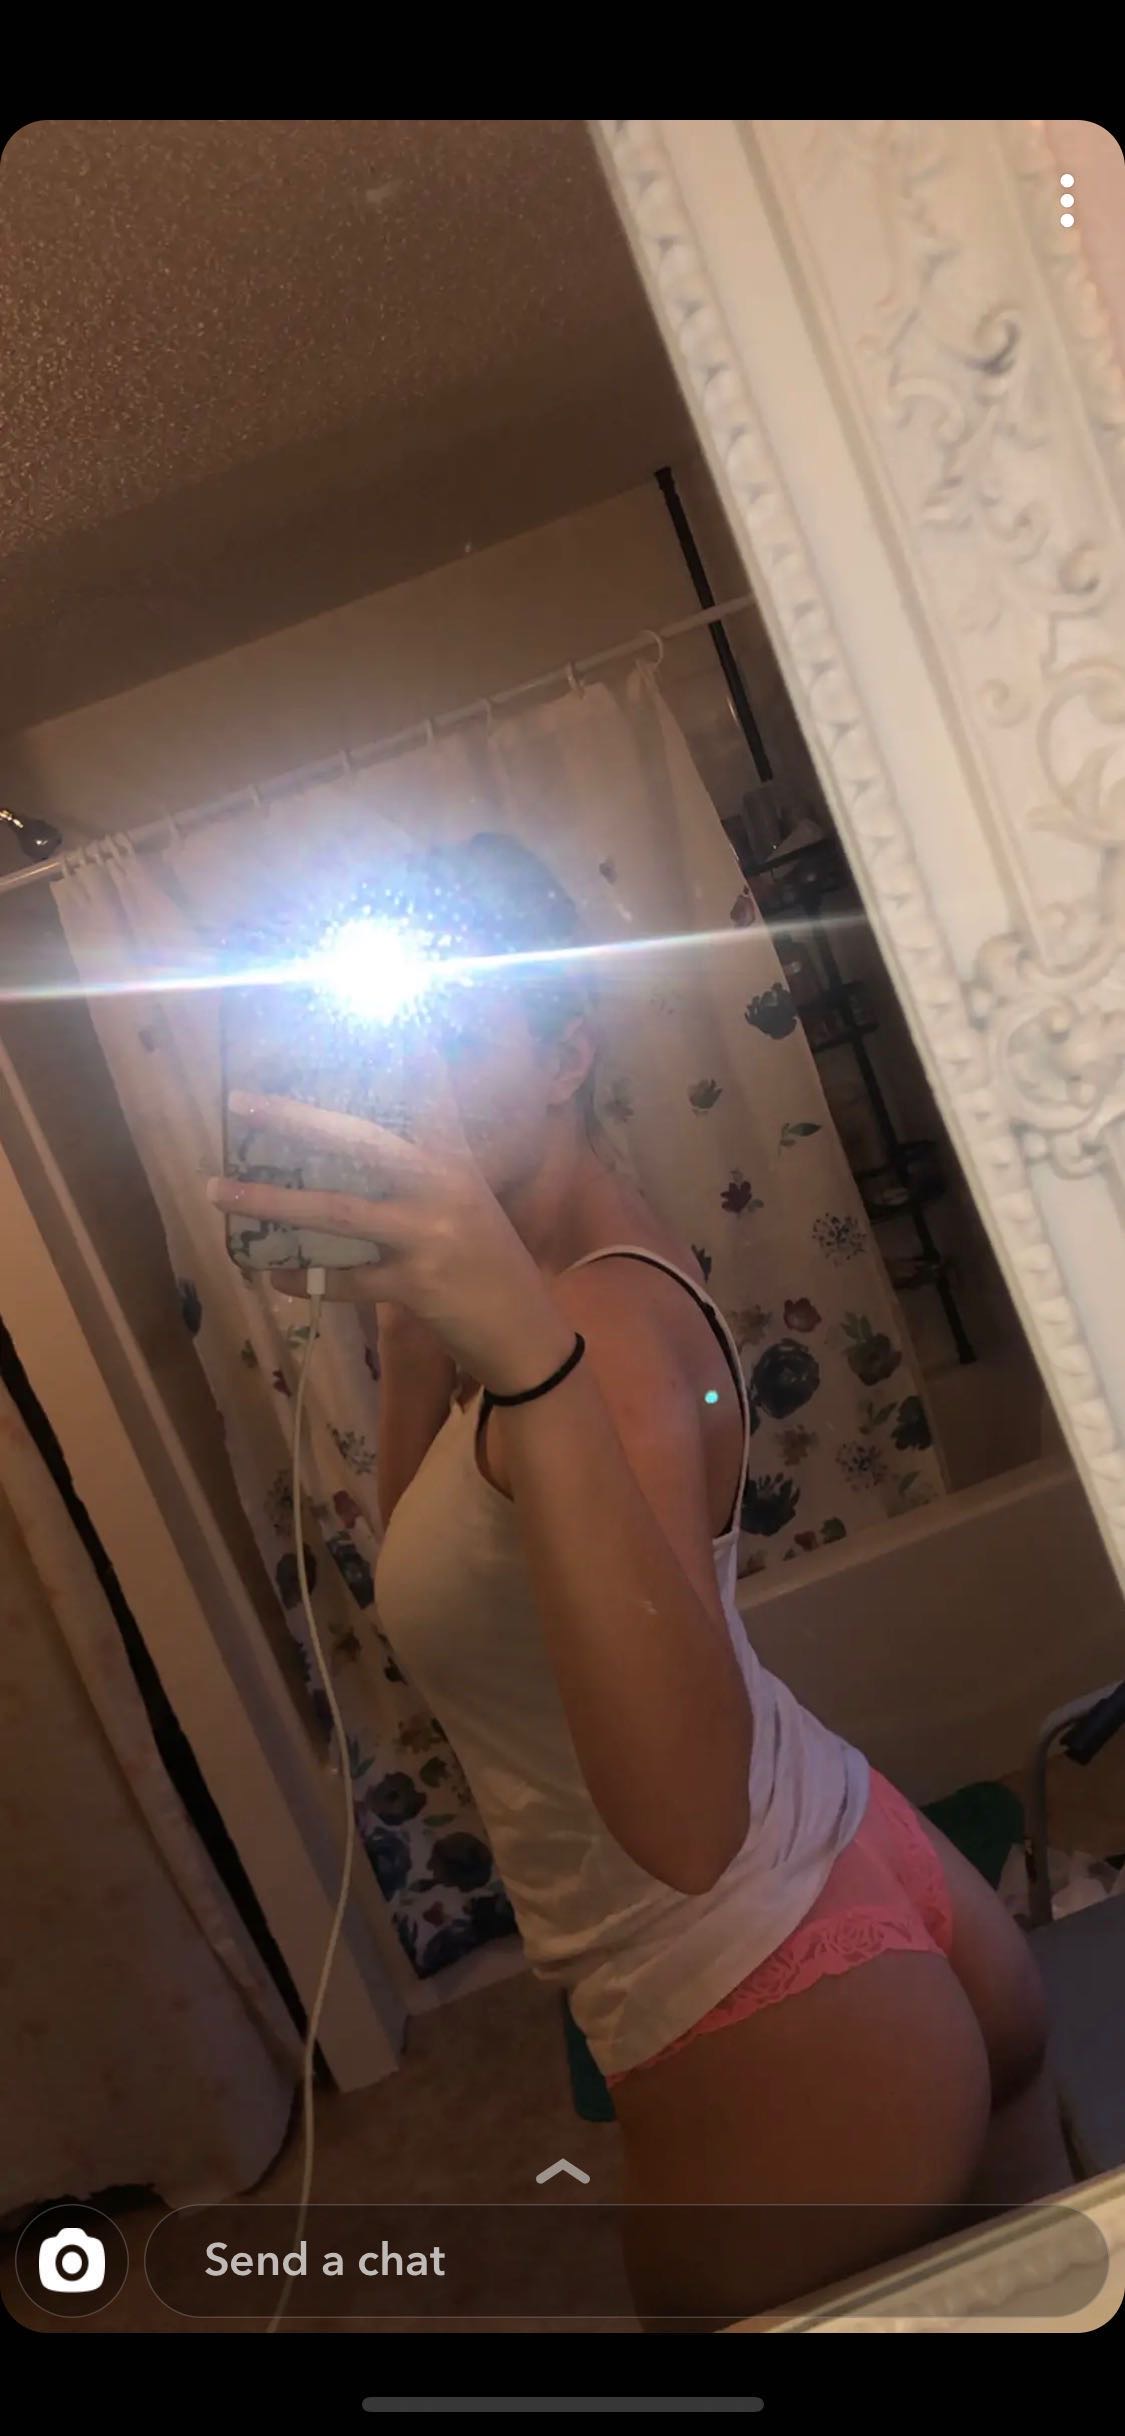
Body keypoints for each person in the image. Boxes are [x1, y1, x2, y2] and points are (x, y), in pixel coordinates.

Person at [208, 831, 1071, 2327]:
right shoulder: (559, 1286)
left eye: (453, 1031)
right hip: (848, 1855)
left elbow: (682, 1829)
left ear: (566, 1054)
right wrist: (412, 1322)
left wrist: (527, 1364)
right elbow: (433, 1563)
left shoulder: (584, 1339)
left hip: (757, 1992)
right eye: (387, 1049)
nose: (411, 1086)